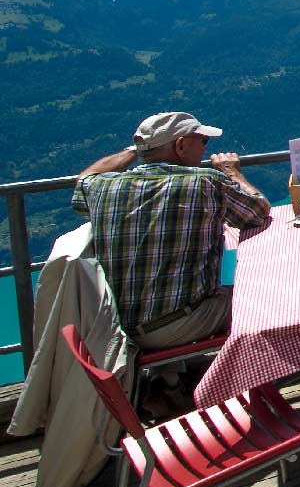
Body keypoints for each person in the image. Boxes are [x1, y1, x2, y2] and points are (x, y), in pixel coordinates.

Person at [70, 113, 271, 408]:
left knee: (172, 289)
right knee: (265, 299)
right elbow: (257, 211)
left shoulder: (104, 188)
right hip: (179, 321)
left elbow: (84, 179)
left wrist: (135, 151)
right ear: (180, 147)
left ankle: (170, 384)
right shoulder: (206, 182)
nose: (205, 148)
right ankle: (256, 381)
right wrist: (232, 172)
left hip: (118, 327)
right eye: (201, 141)